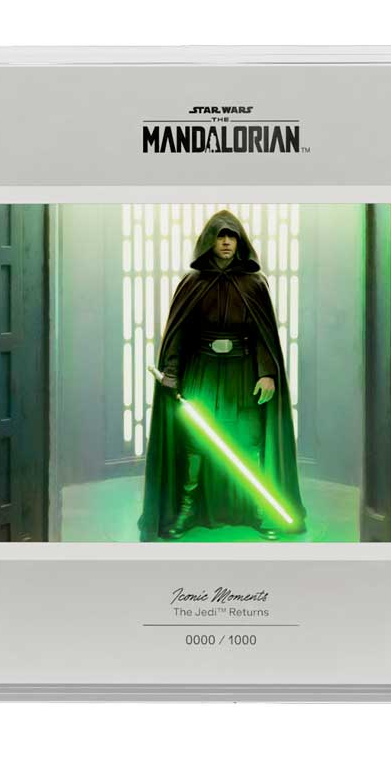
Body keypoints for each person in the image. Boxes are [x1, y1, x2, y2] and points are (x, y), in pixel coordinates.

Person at [138, 210, 306, 541]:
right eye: (220, 236)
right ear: (209, 242)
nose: (226, 242)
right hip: (202, 371)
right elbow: (178, 333)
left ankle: (259, 509)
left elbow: (263, 335)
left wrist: (267, 373)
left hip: (242, 373)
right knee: (195, 441)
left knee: (249, 439)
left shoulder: (255, 284)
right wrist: (171, 373)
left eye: (232, 236)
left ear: (239, 242)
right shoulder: (192, 283)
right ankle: (187, 510)